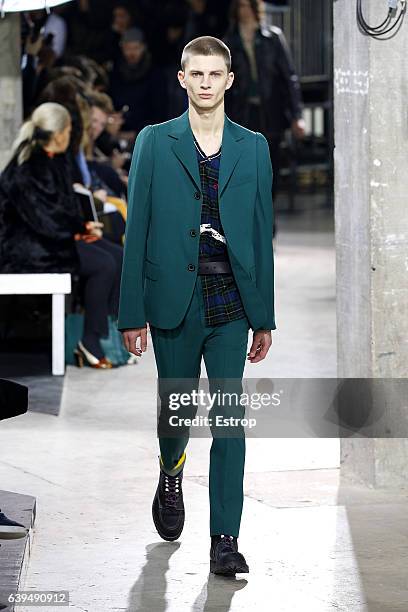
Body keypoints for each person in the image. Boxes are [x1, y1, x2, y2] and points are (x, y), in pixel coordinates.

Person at [118, 36, 276, 575]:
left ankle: (224, 540)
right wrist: (130, 312)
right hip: (173, 303)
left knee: (230, 423)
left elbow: (259, 233)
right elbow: (136, 228)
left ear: (230, 80)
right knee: (176, 412)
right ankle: (171, 471)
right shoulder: (155, 143)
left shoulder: (253, 146)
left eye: (216, 74)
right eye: (197, 74)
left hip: (230, 304)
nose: (206, 83)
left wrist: (265, 315)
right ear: (183, 79)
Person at [0, 102, 123, 369]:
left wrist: (83, 227)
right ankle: (90, 342)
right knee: (104, 264)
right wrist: (78, 230)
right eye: (69, 129)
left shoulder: (54, 160)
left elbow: (60, 210)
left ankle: (109, 338)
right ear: (59, 134)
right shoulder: (28, 166)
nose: (71, 135)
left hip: (49, 239)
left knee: (117, 254)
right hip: (28, 248)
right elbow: (44, 220)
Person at [223, 0, 305, 231]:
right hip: (241, 112)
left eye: (247, 6)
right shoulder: (229, 41)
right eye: (239, 6)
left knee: (270, 166)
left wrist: (297, 115)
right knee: (243, 167)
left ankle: (266, 218)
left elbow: (289, 78)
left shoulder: (272, 37)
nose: (244, 11)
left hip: (271, 112)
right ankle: (249, 220)